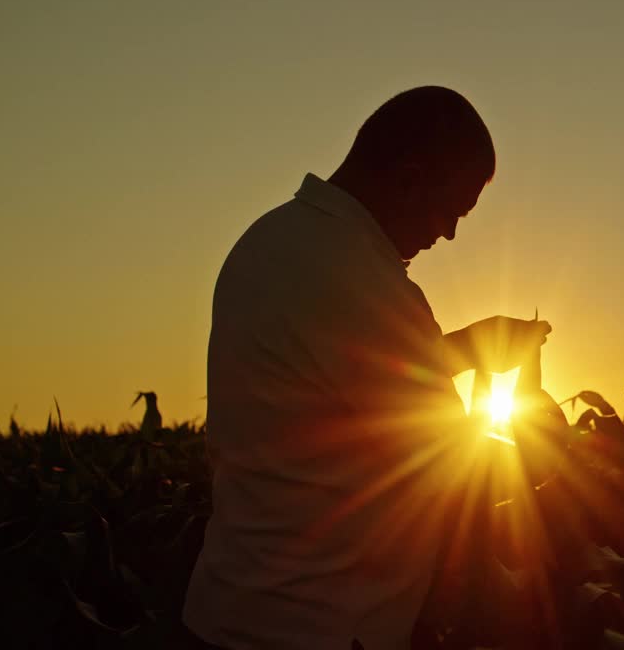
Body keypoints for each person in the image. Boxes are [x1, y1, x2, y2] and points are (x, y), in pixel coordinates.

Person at [182, 87, 551, 650]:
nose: (449, 234)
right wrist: (556, 463)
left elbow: (337, 383)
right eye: (451, 210)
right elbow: (454, 467)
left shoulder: (272, 240)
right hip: (316, 627)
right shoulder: (366, 279)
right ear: (410, 178)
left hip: (230, 612)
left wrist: (466, 349)